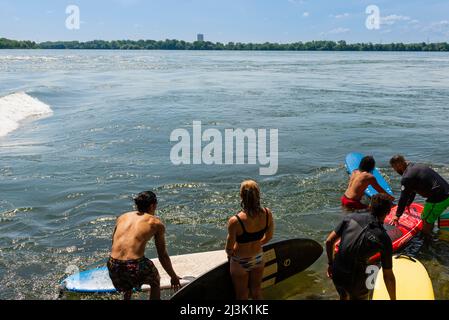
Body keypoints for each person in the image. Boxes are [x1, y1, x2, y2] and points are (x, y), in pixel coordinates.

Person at [107, 191, 181, 300]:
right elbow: (163, 256)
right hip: (134, 265)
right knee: (155, 279)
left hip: (113, 264)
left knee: (128, 280)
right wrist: (173, 277)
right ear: (153, 205)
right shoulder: (155, 223)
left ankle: (127, 296)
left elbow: (114, 243)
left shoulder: (122, 217)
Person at [326, 194, 396, 300]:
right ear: (388, 212)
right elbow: (388, 276)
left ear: (370, 207)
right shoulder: (384, 239)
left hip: (337, 270)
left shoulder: (350, 218)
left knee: (343, 295)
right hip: (355, 279)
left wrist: (331, 264)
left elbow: (329, 241)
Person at [225, 180, 274, 300]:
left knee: (242, 296)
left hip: (240, 262)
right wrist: (257, 243)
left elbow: (229, 248)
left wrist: (231, 253)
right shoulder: (267, 214)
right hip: (258, 258)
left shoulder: (235, 221)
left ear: (241, 196)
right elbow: (269, 237)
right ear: (258, 195)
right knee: (257, 293)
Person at [390, 155, 449, 238]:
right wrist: (408, 204)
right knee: (427, 217)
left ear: (398, 166)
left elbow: (403, 197)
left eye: (394, 168)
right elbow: (412, 190)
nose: (395, 170)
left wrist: (397, 215)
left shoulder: (407, 177)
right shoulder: (416, 167)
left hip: (439, 198)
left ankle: (426, 242)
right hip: (445, 192)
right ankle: (430, 232)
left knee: (426, 220)